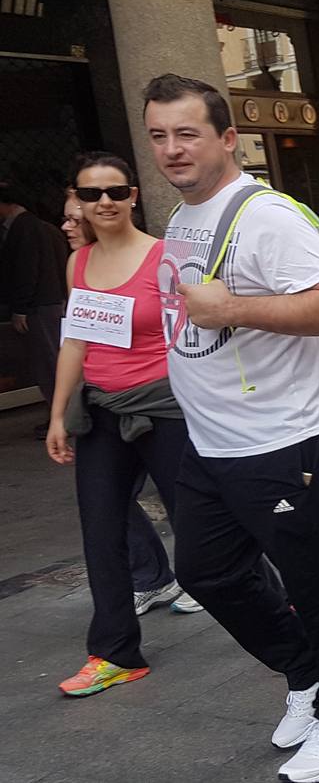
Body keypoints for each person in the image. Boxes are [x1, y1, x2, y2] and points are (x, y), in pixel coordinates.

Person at [144, 74, 319, 782]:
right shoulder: (183, 218)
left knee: (318, 582)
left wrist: (234, 309)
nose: (173, 150)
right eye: (158, 136)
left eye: (188, 134)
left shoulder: (266, 217)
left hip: (289, 440)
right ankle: (304, 674)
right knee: (206, 571)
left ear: (226, 139)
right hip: (213, 443)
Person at [44, 153, 197, 697]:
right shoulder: (79, 263)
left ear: (133, 195)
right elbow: (75, 343)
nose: (103, 202)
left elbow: (193, 338)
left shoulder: (165, 258)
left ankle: (278, 599)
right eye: (90, 194)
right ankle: (115, 652)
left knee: (202, 523)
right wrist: (59, 413)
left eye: (114, 191)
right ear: (78, 202)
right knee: (102, 529)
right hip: (103, 412)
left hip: (164, 408)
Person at [0, 177, 69, 436]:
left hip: (40, 305)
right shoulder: (37, 226)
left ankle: (60, 417)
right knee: (51, 359)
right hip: (48, 302)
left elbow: (27, 270)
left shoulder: (25, 227)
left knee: (48, 362)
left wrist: (20, 307)